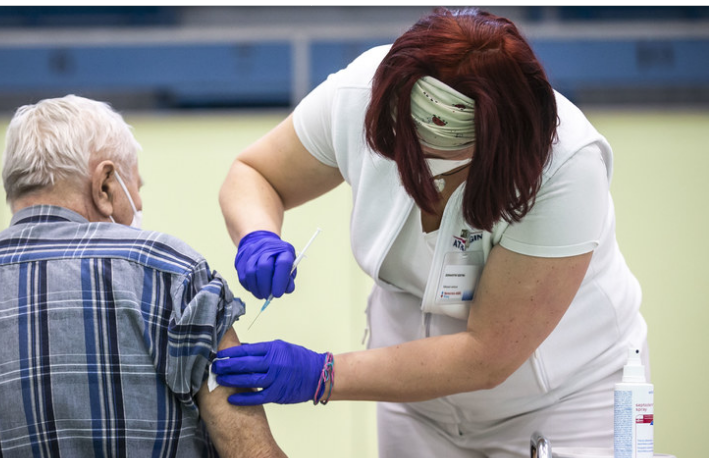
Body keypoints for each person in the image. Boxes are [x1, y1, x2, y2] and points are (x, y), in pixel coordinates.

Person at [214, 7, 647, 458]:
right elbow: (255, 173)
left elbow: (487, 355)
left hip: (564, 401)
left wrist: (322, 374)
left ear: (490, 146)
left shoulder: (566, 166)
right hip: (414, 403)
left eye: (428, 155)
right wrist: (257, 235)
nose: (406, 166)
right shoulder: (361, 91)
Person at [0, 95, 286, 458]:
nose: (138, 206)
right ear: (106, 185)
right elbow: (252, 451)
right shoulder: (171, 275)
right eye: (135, 189)